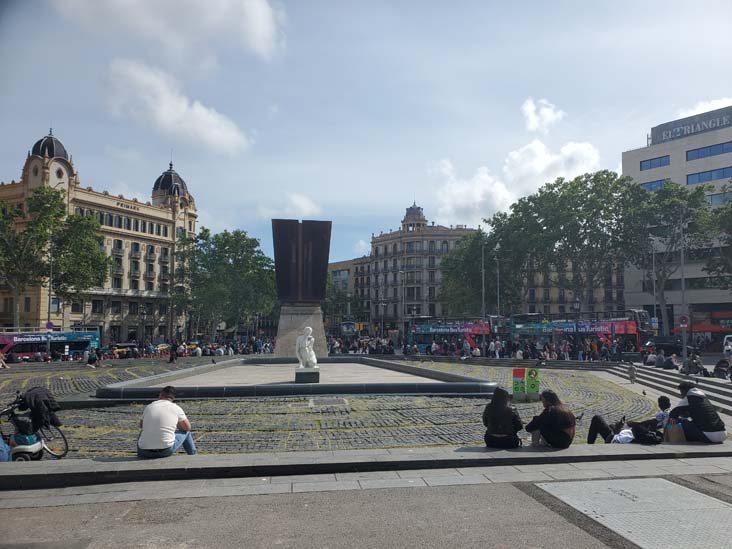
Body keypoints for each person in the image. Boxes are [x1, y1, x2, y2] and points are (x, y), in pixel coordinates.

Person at [137, 386, 197, 459]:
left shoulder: (149, 407)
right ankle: (194, 456)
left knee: (143, 431)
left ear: (160, 395)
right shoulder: (176, 408)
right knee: (186, 433)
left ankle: (141, 455)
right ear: (173, 398)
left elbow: (142, 425)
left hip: (143, 451)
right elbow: (187, 427)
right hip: (165, 450)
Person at [588, 396, 671, 444]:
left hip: (617, 437)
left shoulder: (663, 414)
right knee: (611, 425)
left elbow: (609, 441)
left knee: (597, 418)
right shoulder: (668, 414)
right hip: (634, 433)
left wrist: (618, 430)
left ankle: (590, 444)